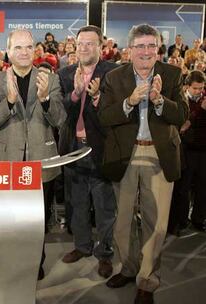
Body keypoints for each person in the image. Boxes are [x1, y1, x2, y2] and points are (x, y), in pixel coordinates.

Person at [98, 24, 187, 304]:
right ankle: (128, 268)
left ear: (158, 49)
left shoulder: (172, 75)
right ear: (130, 50)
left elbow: (182, 114)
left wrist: (160, 100)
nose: (146, 52)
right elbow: (104, 117)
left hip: (159, 156)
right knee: (122, 221)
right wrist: (129, 101)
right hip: (125, 155)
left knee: (155, 222)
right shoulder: (114, 77)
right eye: (140, 46)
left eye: (151, 46)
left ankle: (147, 280)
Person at [0, 29, 66, 280]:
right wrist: (9, 102)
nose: (24, 52)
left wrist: (44, 101)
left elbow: (60, 119)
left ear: (35, 50)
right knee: (9, 221)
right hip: (6, 162)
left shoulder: (49, 80)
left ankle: (36, 262)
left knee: (38, 221)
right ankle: (10, 261)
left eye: (29, 47)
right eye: (18, 47)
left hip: (40, 160)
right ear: (8, 51)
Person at [57, 25, 117, 279]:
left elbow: (117, 112)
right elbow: (60, 113)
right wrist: (76, 92)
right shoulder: (65, 74)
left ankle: (104, 254)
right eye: (80, 43)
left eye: (90, 43)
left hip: (101, 150)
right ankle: (82, 246)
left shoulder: (113, 73)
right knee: (77, 203)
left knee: (104, 206)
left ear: (101, 47)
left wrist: (95, 99)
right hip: (73, 149)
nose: (84, 47)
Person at [169, 70, 206, 235]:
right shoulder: (182, 101)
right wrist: (200, 111)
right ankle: (181, 220)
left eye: (201, 88)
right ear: (187, 86)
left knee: (202, 187)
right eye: (196, 88)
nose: (199, 91)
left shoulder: (204, 99)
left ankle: (198, 219)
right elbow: (183, 125)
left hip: (203, 150)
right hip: (186, 150)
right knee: (183, 188)